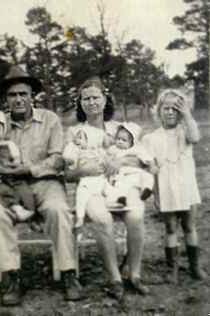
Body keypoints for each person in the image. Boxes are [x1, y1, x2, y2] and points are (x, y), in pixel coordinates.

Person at [0, 65, 83, 306]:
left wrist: (29, 169)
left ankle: (69, 273)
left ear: (32, 96)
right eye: (12, 95)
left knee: (58, 210)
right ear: (5, 99)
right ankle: (12, 277)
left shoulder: (50, 120)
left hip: (46, 184)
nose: (18, 99)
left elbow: (57, 159)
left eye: (23, 94)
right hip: (13, 188)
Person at [65, 76, 149, 299]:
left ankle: (135, 274)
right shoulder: (75, 133)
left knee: (136, 214)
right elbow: (67, 173)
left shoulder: (120, 129)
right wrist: (85, 170)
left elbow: (141, 160)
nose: (91, 102)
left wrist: (118, 162)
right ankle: (114, 278)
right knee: (102, 218)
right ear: (80, 103)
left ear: (105, 99)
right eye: (86, 99)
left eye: (96, 97)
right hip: (91, 187)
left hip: (120, 184)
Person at [143, 89, 206, 284]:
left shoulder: (185, 132)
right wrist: (155, 193)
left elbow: (195, 137)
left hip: (186, 186)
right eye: (166, 108)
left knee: (189, 225)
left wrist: (187, 115)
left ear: (181, 111)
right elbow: (150, 168)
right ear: (159, 110)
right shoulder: (151, 138)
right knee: (170, 227)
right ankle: (173, 268)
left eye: (175, 109)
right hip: (166, 188)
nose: (170, 112)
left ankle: (195, 266)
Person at [104, 122, 156, 205]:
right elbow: (106, 157)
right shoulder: (114, 149)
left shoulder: (136, 149)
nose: (120, 142)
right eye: (118, 139)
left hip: (136, 172)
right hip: (122, 174)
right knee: (121, 185)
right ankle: (122, 198)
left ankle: (147, 189)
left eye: (124, 140)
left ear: (132, 142)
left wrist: (152, 165)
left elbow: (147, 157)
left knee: (148, 176)